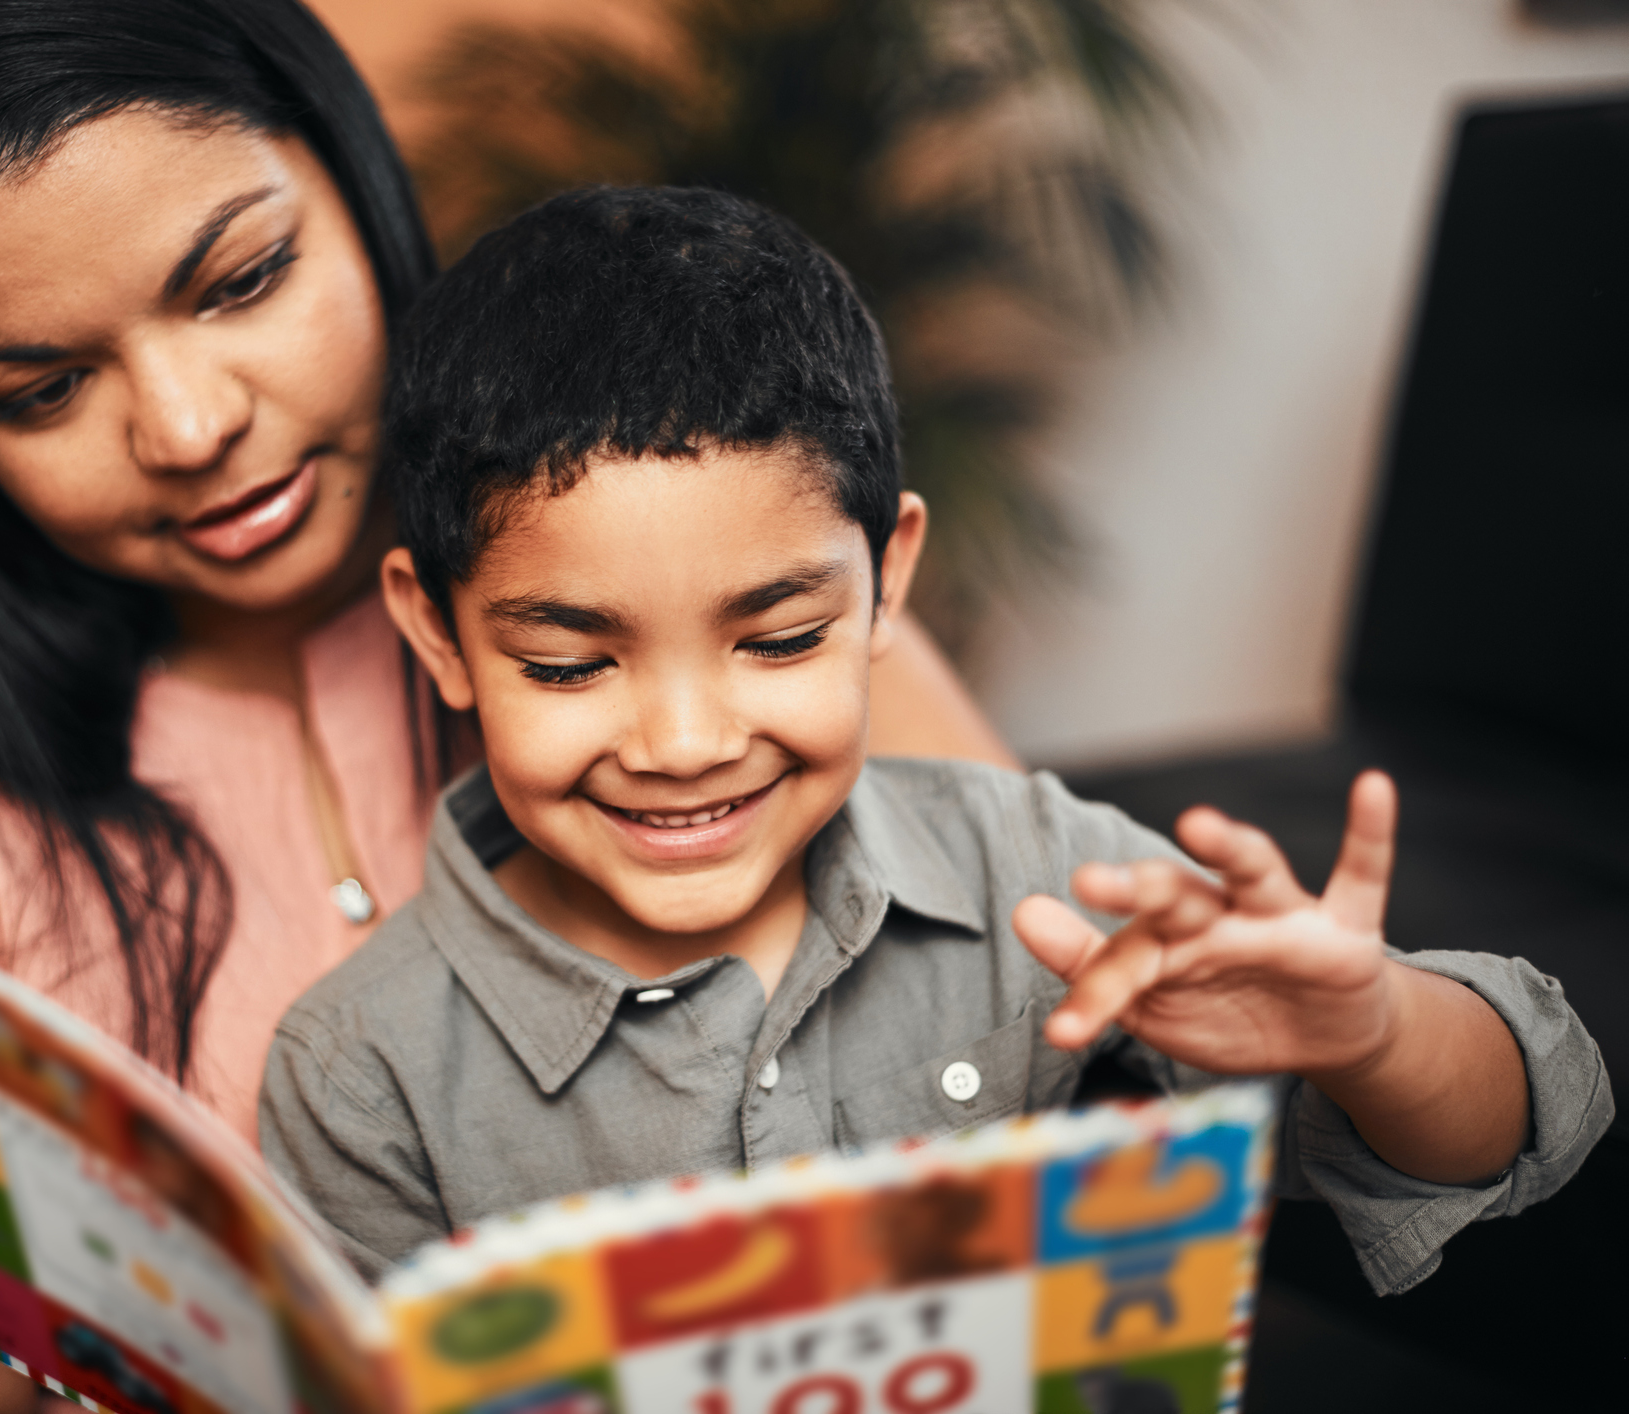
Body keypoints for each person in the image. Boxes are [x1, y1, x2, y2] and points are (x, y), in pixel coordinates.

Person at [0, 3, 1010, 1410]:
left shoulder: (631, 513)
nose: (186, 425)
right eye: (44, 387)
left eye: (242, 279)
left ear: (351, 176)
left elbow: (1030, 1024)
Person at [258, 187, 1612, 1285]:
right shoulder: (361, 1073)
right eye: (567, 662)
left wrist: (1374, 1031)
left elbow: (1514, 1132)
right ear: (437, 636)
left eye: (778, 639)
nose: (682, 740)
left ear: (887, 580)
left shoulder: (1028, 865)